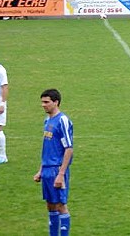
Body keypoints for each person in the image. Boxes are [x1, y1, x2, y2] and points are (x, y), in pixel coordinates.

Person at [33, 88, 73, 236]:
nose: (43, 105)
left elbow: (69, 149)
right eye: (42, 102)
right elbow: (47, 148)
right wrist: (41, 170)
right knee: (50, 205)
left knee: (61, 205)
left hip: (57, 169)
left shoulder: (62, 120)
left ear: (56, 102)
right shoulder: (47, 120)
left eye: (46, 102)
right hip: (47, 169)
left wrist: (61, 174)